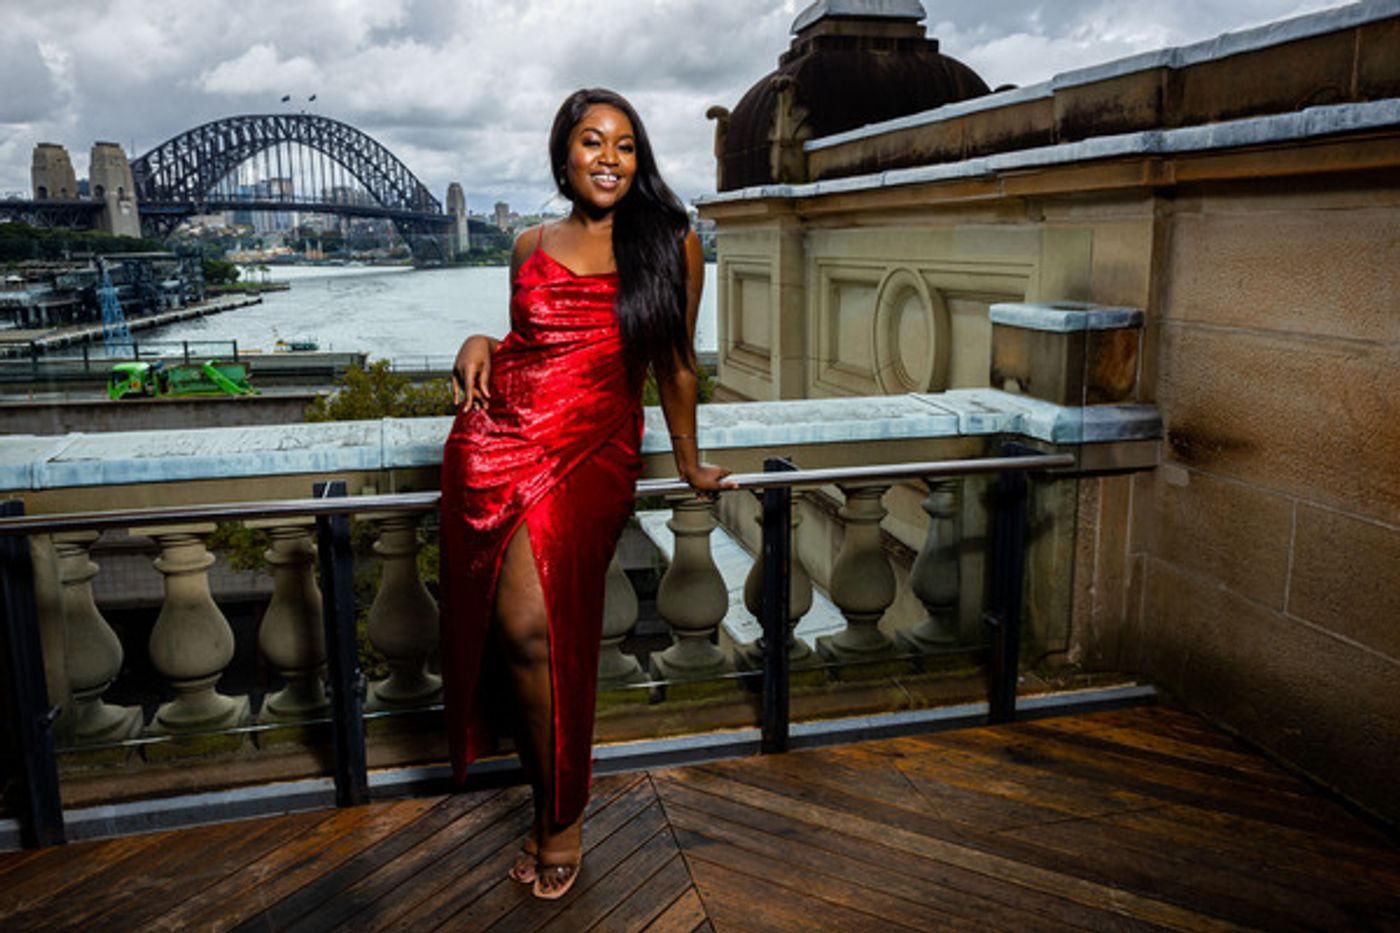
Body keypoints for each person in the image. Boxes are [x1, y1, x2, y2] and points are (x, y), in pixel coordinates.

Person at [439, 88, 734, 901]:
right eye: (593, 141)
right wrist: (478, 339)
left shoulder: (671, 240)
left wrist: (689, 463)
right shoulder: (528, 244)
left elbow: (676, 363)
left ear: (639, 160)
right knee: (517, 634)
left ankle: (561, 814)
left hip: (595, 451)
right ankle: (550, 806)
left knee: (536, 627)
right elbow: (526, 345)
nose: (610, 158)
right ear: (563, 155)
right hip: (501, 442)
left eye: (626, 145)